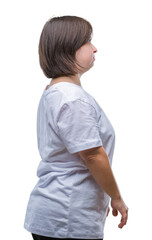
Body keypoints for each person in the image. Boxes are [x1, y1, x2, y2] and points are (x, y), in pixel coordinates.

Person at [24, 15, 128, 240]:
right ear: (68, 48)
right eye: (88, 41)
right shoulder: (72, 99)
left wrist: (100, 198)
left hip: (63, 211)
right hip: (67, 214)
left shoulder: (57, 92)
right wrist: (116, 197)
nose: (95, 48)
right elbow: (92, 155)